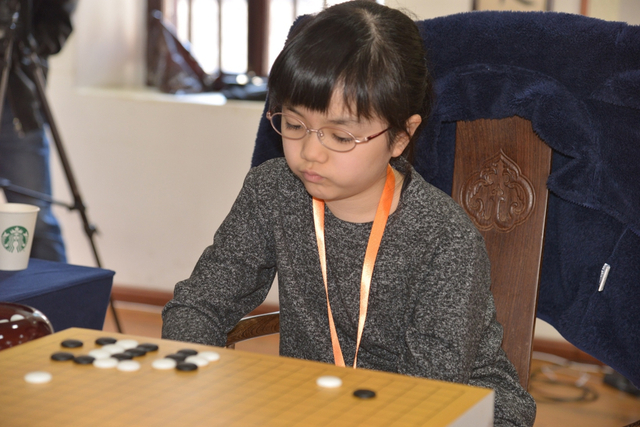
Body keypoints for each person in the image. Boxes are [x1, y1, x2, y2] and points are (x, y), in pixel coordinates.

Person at [162, 2, 536, 425]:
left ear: (401, 136)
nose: (310, 152)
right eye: (294, 124)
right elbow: (197, 305)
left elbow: (428, 394)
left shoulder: (443, 238)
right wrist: (196, 388)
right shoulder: (273, 192)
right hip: (323, 406)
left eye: (340, 136)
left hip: (455, 410)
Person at [0, 0, 78, 262]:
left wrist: (21, 45)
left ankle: (55, 289)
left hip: (17, 104)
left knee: (36, 222)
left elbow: (57, 24)